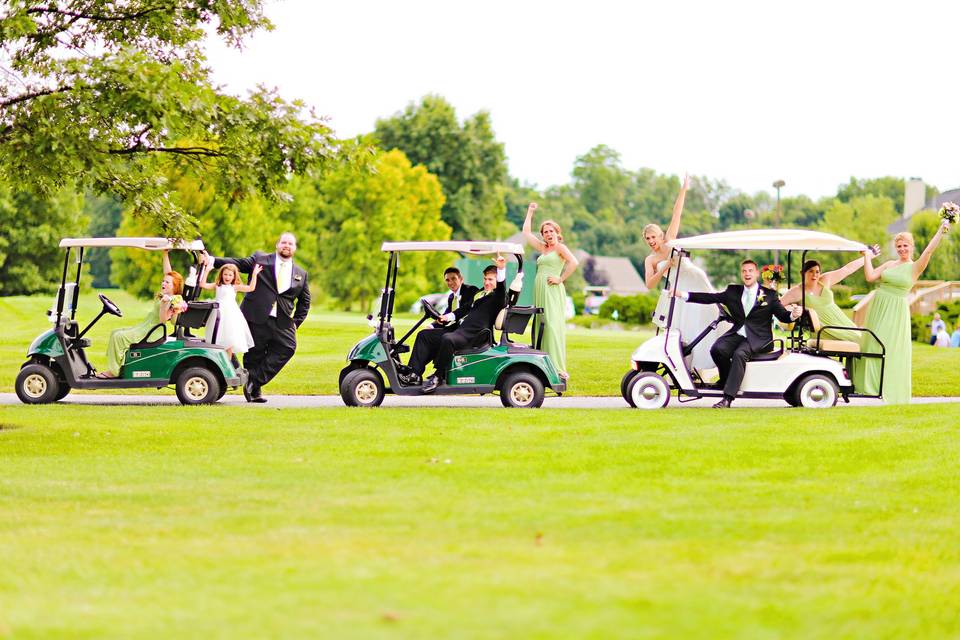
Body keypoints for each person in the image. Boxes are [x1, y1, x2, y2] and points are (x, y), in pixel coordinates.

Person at [673, 259, 802, 408]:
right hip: (738, 334)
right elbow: (710, 298)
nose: (747, 274)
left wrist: (793, 315)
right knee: (717, 349)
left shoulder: (770, 295)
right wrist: (682, 294)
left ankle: (727, 398)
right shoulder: (733, 291)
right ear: (741, 274)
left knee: (739, 354)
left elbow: (783, 316)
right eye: (744, 271)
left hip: (760, 339)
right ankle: (726, 380)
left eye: (750, 271)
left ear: (757, 274)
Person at [206, 232, 311, 403]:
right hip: (255, 315)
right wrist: (212, 261)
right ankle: (254, 392)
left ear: (295, 248)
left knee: (288, 348)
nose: (286, 246)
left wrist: (296, 323)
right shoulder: (260, 259)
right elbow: (237, 263)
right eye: (283, 242)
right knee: (255, 354)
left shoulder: (301, 273)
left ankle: (253, 379)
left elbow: (305, 301)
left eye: (290, 244)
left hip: (282, 321)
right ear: (277, 245)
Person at [855, 222, 951, 404]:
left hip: (896, 310)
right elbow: (870, 277)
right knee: (872, 344)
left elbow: (929, 251)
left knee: (888, 347)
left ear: (911, 247)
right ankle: (869, 388)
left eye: (905, 245)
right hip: (879, 307)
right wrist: (867, 256)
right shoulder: (890, 264)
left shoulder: (915, 267)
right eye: (899, 246)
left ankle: (889, 390)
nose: (902, 249)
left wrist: (941, 229)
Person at [646, 175, 722, 372]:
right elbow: (649, 284)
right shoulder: (651, 260)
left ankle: (716, 360)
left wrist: (684, 190)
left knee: (709, 317)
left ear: (660, 235)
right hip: (678, 290)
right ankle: (687, 368)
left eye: (653, 237)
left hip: (696, 280)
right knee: (683, 328)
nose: (651, 241)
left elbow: (676, 214)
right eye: (648, 239)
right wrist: (665, 266)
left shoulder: (670, 240)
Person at [422, 256, 507, 392]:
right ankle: (414, 373)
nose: (486, 282)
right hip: (463, 331)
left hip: (476, 335)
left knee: (448, 339)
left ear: (497, 280)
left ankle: (438, 376)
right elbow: (464, 309)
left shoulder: (498, 297)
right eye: (485, 279)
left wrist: (501, 269)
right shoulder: (481, 294)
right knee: (426, 335)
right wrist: (446, 317)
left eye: (490, 279)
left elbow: (502, 288)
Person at [99, 250, 187, 378]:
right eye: (163, 281)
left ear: (174, 286)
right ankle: (118, 366)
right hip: (146, 326)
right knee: (115, 333)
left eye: (167, 283)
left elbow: (163, 320)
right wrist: (165, 253)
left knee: (119, 337)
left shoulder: (172, 300)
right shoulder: (167, 294)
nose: (163, 283)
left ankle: (113, 371)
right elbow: (167, 273)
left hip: (152, 331)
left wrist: (164, 305)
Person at [523, 202, 579, 379]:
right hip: (539, 289)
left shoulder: (560, 248)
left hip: (552, 290)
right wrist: (530, 212)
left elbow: (574, 262)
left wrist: (560, 278)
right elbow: (526, 233)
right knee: (542, 325)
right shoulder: (542, 248)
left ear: (557, 232)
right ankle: (542, 364)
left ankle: (558, 368)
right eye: (545, 232)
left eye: (551, 231)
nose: (548, 234)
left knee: (552, 326)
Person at [400, 267, 480, 386]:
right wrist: (432, 325)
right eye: (447, 280)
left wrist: (447, 317)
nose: (451, 282)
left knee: (424, 337)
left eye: (453, 279)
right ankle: (414, 371)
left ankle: (415, 373)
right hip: (455, 331)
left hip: (466, 333)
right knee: (425, 334)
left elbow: (466, 308)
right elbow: (445, 315)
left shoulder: (470, 291)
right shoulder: (451, 297)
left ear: (461, 279)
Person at [779, 249, 878, 345]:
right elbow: (777, 306)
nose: (814, 275)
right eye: (810, 271)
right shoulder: (797, 291)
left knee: (867, 340)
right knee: (864, 342)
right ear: (802, 273)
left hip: (842, 323)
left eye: (817, 272)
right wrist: (792, 311)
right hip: (825, 330)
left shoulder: (825, 280)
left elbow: (847, 269)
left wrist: (868, 257)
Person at [197, 261, 263, 366]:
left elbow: (251, 288)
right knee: (216, 338)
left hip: (230, 315)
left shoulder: (234, 287)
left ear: (234, 276)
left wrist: (254, 274)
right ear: (222, 275)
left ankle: (227, 364)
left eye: (230, 275)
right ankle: (216, 363)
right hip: (217, 315)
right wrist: (207, 270)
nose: (227, 277)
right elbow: (202, 284)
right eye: (225, 274)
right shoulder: (218, 285)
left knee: (229, 340)